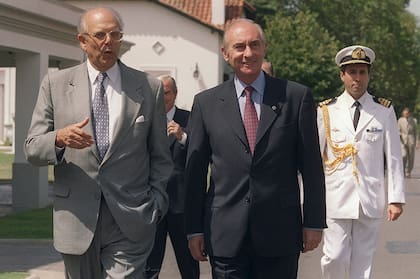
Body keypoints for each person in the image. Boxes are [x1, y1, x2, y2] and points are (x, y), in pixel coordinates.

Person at [24, 7, 172, 278]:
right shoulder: (55, 84)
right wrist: (58, 138)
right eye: (101, 35)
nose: (109, 41)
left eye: (115, 35)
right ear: (82, 40)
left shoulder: (147, 87)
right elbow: (32, 147)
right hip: (76, 218)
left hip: (132, 218)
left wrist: (157, 202)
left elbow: (161, 155)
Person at [185, 18, 326, 279]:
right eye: (239, 47)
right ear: (225, 53)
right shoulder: (206, 104)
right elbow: (194, 174)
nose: (247, 53)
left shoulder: (295, 97)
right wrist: (194, 229)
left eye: (254, 45)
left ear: (264, 48)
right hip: (225, 234)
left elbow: (311, 167)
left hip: (280, 233)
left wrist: (314, 222)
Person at [317, 45, 406, 279]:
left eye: (362, 72)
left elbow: (394, 156)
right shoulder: (327, 110)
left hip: (370, 197)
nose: (357, 78)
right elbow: (316, 159)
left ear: (369, 74)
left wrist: (395, 198)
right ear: (342, 75)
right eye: (352, 72)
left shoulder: (383, 110)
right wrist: (311, 200)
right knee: (333, 256)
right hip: (335, 197)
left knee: (363, 261)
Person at [145, 75, 199, 279]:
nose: (162, 97)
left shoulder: (190, 117)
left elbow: (201, 152)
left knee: (188, 263)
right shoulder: (146, 119)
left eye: (166, 92)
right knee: (150, 265)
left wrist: (182, 136)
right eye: (158, 92)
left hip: (181, 203)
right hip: (153, 202)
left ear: (175, 94)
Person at [398, 107, 417, 177]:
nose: (406, 115)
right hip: (403, 140)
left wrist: (416, 142)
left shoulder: (413, 121)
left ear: (409, 114)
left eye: (407, 113)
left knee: (411, 157)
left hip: (411, 140)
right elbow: (398, 130)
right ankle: (402, 170)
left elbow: (415, 132)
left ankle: (408, 171)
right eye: (405, 113)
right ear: (403, 114)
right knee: (404, 155)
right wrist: (399, 135)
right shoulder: (400, 120)